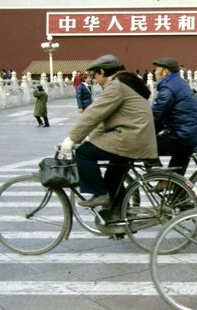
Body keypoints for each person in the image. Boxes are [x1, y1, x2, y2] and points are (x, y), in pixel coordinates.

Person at [58, 54, 157, 210]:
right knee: (113, 180)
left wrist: (72, 138)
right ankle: (117, 219)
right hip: (137, 136)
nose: (95, 79)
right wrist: (89, 136)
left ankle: (100, 195)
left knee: (84, 153)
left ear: (102, 71)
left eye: (95, 75)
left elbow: (95, 112)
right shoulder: (125, 81)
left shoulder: (116, 85)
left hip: (130, 137)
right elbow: (105, 115)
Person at [151, 57, 197, 176]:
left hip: (183, 135)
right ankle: (177, 190)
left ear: (165, 71)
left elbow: (156, 114)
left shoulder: (168, 87)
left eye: (156, 70)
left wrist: (142, 131)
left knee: (146, 145)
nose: (154, 73)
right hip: (192, 134)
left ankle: (159, 175)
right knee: (178, 165)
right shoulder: (179, 82)